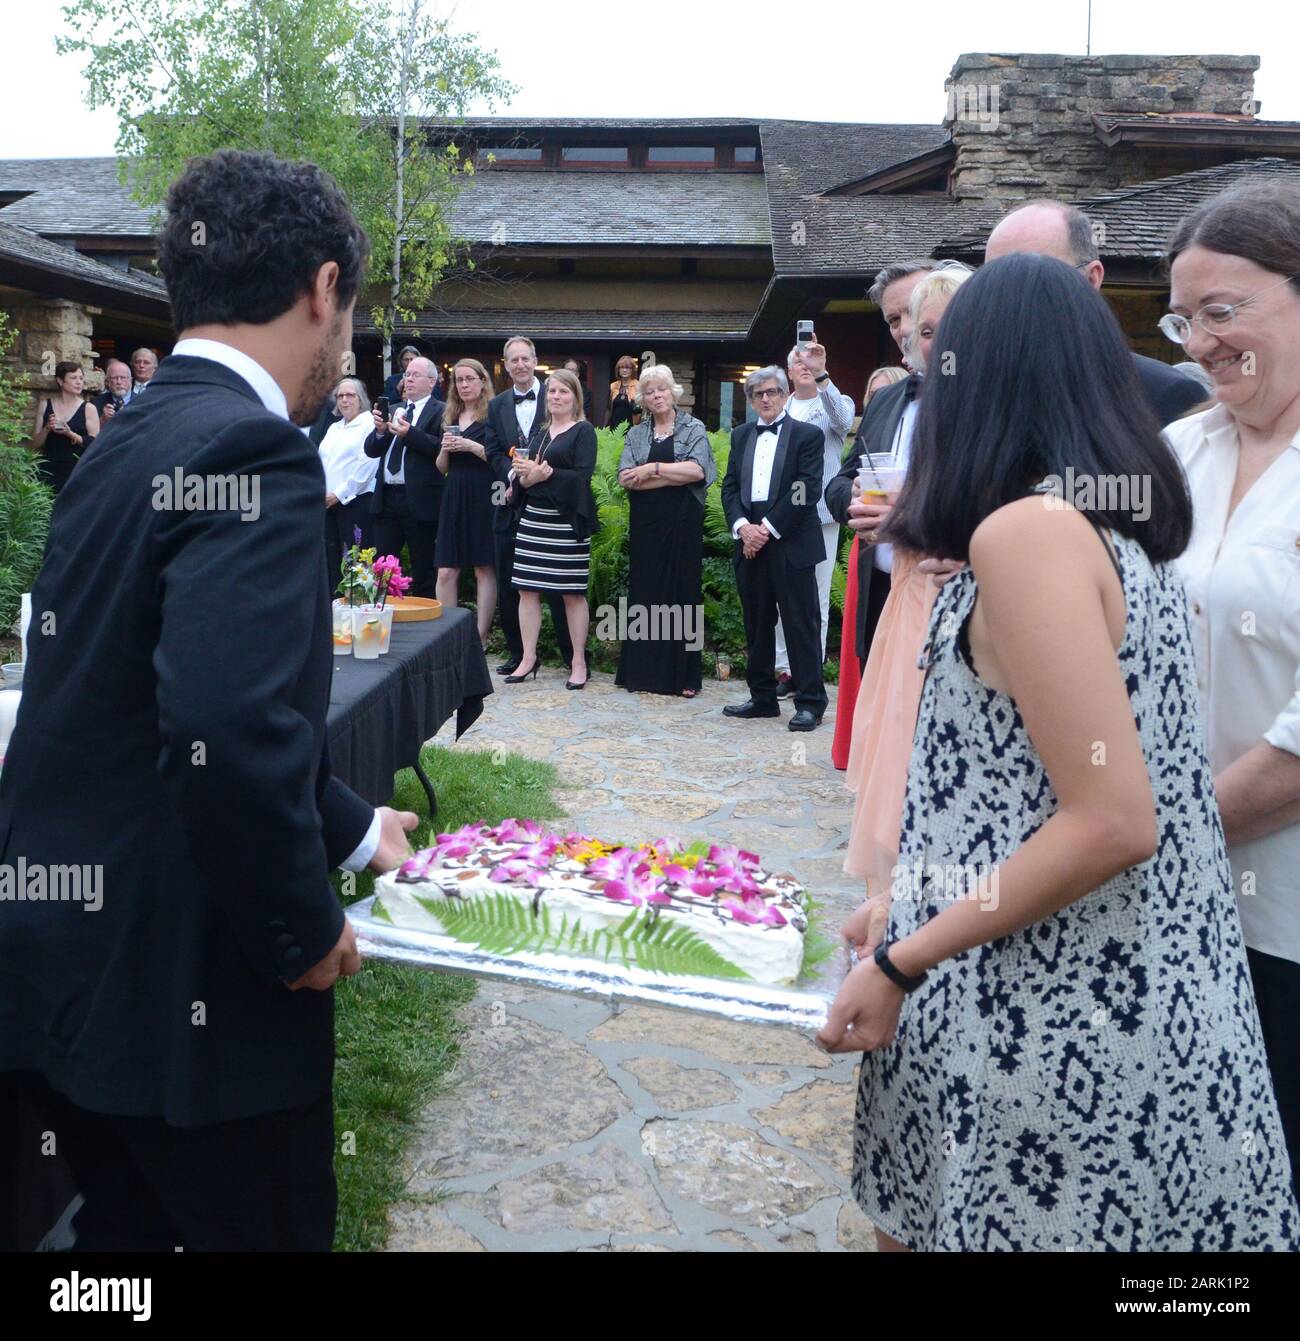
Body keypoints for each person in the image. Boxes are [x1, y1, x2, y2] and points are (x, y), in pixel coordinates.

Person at [818, 252, 1299, 1252]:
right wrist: (912, 897)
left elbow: (1111, 819)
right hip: (1128, 995)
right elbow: (1021, 786)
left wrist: (905, 960)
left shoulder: (1028, 533)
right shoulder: (1115, 528)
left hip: (1054, 1013)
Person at [0, 147, 419, 1251]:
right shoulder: (254, 448)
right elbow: (223, 727)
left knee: (116, 1250)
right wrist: (300, 927)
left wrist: (351, 826)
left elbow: (129, 691)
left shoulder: (124, 433)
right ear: (323, 287)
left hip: (58, 970)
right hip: (178, 1002)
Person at [1162, 179, 1300, 1199]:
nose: (1199, 340)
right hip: (1178, 902)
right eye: (1183, 316)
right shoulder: (1179, 450)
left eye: (1224, 310)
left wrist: (1147, 841)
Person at [842, 265, 973, 896]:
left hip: (960, 600)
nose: (924, 341)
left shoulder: (1000, 407)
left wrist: (916, 519)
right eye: (916, 329)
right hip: (896, 592)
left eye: (939, 327)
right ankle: (890, 909)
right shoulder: (893, 397)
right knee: (888, 756)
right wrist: (863, 509)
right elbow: (851, 474)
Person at [985, 200, 1206, 427]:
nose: (1008, 295)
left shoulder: (1165, 395)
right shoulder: (970, 387)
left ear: (1091, 279)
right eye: (990, 280)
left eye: (1035, 277)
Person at [825, 259, 940, 668]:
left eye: (913, 311)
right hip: (881, 593)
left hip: (948, 593)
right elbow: (839, 482)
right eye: (894, 319)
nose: (904, 329)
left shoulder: (988, 394)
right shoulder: (887, 401)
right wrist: (854, 498)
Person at [720, 366, 827, 731]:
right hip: (748, 539)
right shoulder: (740, 435)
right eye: (758, 394)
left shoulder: (807, 435)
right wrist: (742, 528)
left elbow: (806, 490)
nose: (765, 399)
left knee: (801, 622)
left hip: (790, 540)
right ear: (751, 400)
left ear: (784, 395)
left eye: (772, 392)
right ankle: (763, 697)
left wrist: (764, 530)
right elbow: (730, 487)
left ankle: (811, 702)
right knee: (757, 623)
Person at [615, 365, 714, 697]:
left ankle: (686, 676)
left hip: (682, 523)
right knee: (646, 594)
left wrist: (652, 469)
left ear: (673, 392)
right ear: (643, 398)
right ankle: (643, 673)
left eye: (661, 389)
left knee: (683, 594)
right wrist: (668, 475)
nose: (656, 395)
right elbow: (626, 478)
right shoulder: (636, 434)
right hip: (646, 526)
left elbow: (698, 471)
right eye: (649, 391)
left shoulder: (693, 427)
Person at [831, 364, 908, 771]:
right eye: (871, 396)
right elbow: (836, 486)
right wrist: (853, 492)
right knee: (870, 667)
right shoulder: (871, 432)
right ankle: (869, 756)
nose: (878, 403)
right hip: (874, 568)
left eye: (885, 394)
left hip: (922, 572)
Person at [484, 337, 573, 674]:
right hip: (508, 501)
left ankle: (571, 657)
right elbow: (492, 451)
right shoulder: (497, 406)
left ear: (536, 360)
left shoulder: (557, 395)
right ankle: (521, 654)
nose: (520, 365)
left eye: (525, 358)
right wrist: (512, 475)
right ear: (505, 365)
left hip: (550, 504)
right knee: (511, 580)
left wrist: (538, 475)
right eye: (513, 360)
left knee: (557, 583)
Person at [506, 368, 598, 689]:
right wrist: (528, 477)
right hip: (533, 521)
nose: (556, 397)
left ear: (575, 397)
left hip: (567, 523)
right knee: (527, 591)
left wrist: (546, 475)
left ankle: (578, 661)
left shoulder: (583, 431)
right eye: (552, 391)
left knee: (572, 594)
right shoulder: (539, 434)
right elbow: (524, 480)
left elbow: (582, 478)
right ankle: (528, 658)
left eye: (563, 392)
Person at [774, 337, 855, 698]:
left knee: (816, 595)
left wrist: (824, 374)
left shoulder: (832, 402)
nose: (804, 366)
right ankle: (783, 669)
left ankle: (809, 670)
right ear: (789, 371)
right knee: (780, 594)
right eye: (798, 362)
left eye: (811, 362)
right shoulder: (780, 408)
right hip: (781, 515)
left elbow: (843, 420)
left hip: (820, 513)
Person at [364, 355, 444, 598]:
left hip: (420, 501)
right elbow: (371, 450)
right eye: (407, 374)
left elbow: (439, 449)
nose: (408, 380)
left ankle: (425, 628)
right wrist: (379, 432)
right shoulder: (394, 409)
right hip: (387, 498)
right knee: (383, 570)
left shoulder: (441, 411)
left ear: (431, 382)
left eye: (415, 375)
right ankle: (380, 620)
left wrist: (410, 433)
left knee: (424, 569)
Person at [435, 358, 499, 647]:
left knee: (483, 567)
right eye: (458, 380)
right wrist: (446, 449)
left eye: (469, 379)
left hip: (483, 492)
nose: (463, 385)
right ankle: (448, 637)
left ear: (482, 381)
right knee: (447, 569)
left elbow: (498, 459)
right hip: (454, 492)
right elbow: (441, 467)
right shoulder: (450, 417)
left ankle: (480, 636)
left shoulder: (494, 415)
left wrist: (470, 445)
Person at [319, 375, 378, 581]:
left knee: (356, 563)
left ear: (360, 398)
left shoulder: (369, 423)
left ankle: (357, 609)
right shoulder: (334, 427)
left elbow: (367, 465)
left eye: (350, 395)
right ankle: (334, 609)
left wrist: (339, 494)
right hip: (328, 504)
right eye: (340, 396)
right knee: (332, 562)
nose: (344, 400)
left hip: (355, 503)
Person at [30, 361, 98, 494]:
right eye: (73, 378)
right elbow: (34, 445)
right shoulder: (45, 404)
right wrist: (47, 428)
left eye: (81, 378)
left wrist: (69, 433)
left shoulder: (89, 408)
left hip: (76, 470)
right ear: (60, 381)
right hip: (49, 469)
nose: (79, 382)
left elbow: (95, 444)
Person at [91, 358, 133, 424]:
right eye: (114, 378)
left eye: (123, 378)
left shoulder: (142, 401)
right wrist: (103, 420)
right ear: (107, 382)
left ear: (130, 380)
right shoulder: (96, 403)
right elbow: (92, 433)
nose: (119, 382)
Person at [606, 354, 640, 431]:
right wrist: (605, 427)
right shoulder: (613, 386)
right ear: (618, 370)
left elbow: (640, 411)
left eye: (627, 368)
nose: (624, 370)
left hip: (632, 426)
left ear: (632, 370)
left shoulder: (638, 386)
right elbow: (608, 409)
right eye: (622, 367)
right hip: (614, 427)